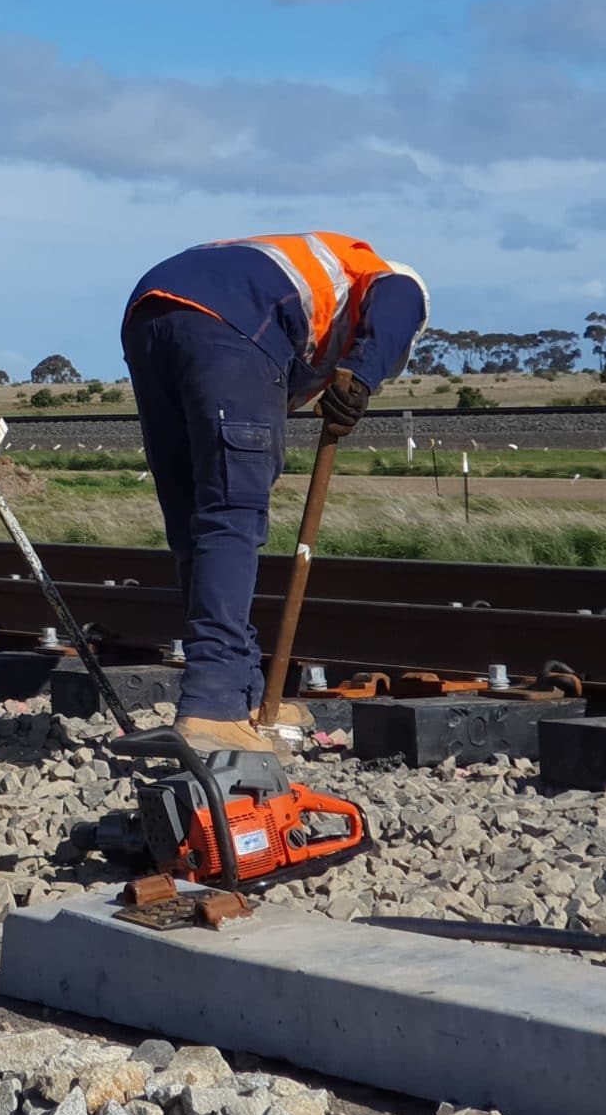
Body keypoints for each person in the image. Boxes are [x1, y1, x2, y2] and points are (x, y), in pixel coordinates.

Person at [121, 233, 428, 752]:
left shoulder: (296, 282)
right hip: (230, 320)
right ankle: (213, 704)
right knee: (230, 513)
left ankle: (243, 693)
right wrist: (365, 376)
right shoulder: (376, 277)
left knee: (196, 515)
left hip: (151, 313)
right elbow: (404, 297)